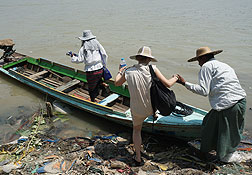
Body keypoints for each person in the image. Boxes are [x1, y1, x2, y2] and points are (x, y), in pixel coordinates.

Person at [177, 46, 246, 163]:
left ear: (203, 58)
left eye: (198, 60)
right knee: (209, 123)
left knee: (225, 135)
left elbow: (203, 91)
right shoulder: (224, 65)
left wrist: (184, 83)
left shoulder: (206, 66)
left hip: (228, 105)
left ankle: (226, 157)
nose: (198, 63)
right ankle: (207, 151)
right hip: (240, 102)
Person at [114, 46, 178, 165]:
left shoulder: (128, 71)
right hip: (151, 108)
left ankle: (138, 157)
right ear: (149, 59)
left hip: (137, 110)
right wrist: (175, 78)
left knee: (136, 130)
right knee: (151, 100)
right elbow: (168, 84)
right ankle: (154, 114)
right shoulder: (153, 68)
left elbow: (116, 83)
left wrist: (120, 71)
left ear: (137, 58)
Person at [67, 30, 108, 102]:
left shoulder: (83, 48)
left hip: (91, 71)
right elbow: (104, 55)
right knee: (97, 81)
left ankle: (93, 100)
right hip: (100, 69)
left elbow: (79, 60)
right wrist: (104, 65)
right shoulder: (98, 45)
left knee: (91, 88)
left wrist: (73, 57)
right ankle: (103, 84)